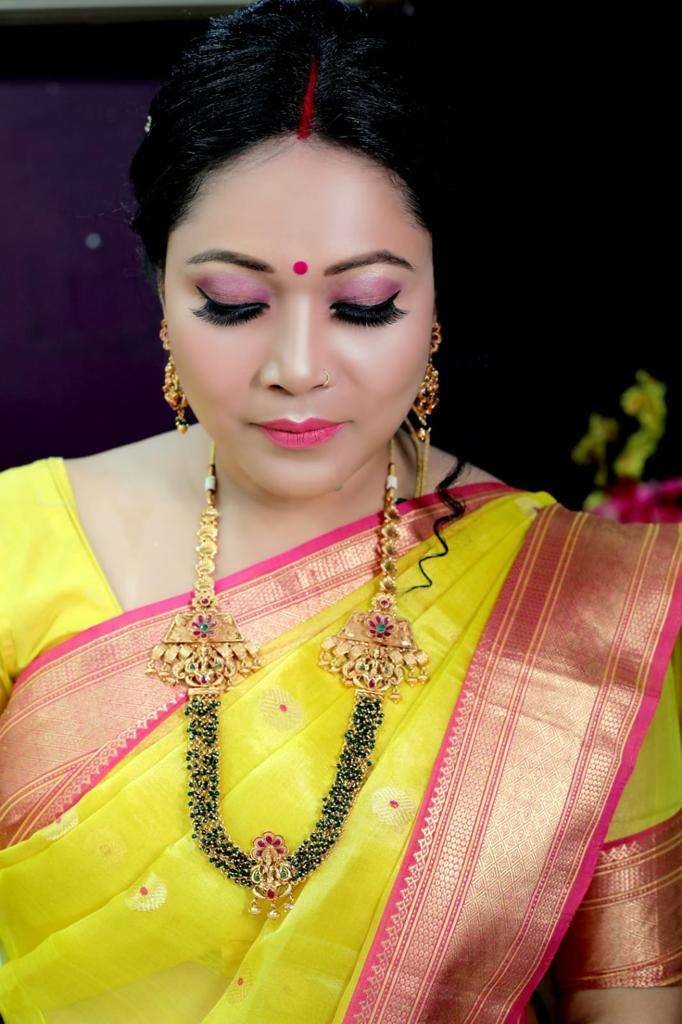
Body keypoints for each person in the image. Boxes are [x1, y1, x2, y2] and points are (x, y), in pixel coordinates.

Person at [0, 1, 679, 1021]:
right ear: (161, 291)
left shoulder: (580, 606)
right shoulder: (16, 541)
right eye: (233, 303)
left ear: (436, 299)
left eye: (364, 307)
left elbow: (628, 1002)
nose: (297, 367)